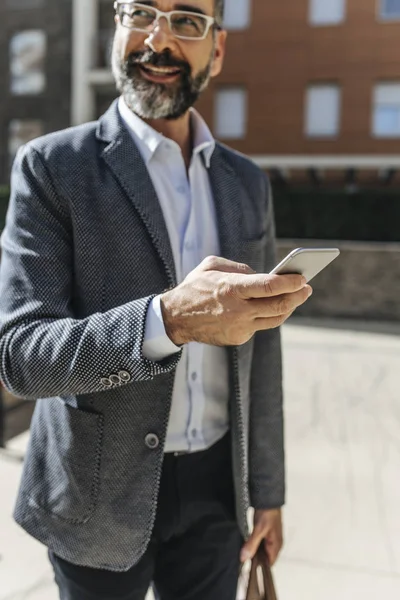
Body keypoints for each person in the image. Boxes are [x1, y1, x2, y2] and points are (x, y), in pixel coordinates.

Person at [0, 1, 312, 599]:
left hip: (217, 491)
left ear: (217, 51)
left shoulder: (247, 183)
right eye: (141, 12)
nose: (159, 38)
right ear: (115, 29)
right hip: (93, 492)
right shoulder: (50, 167)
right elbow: (21, 356)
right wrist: (167, 320)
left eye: (187, 21)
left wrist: (266, 494)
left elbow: (263, 353)